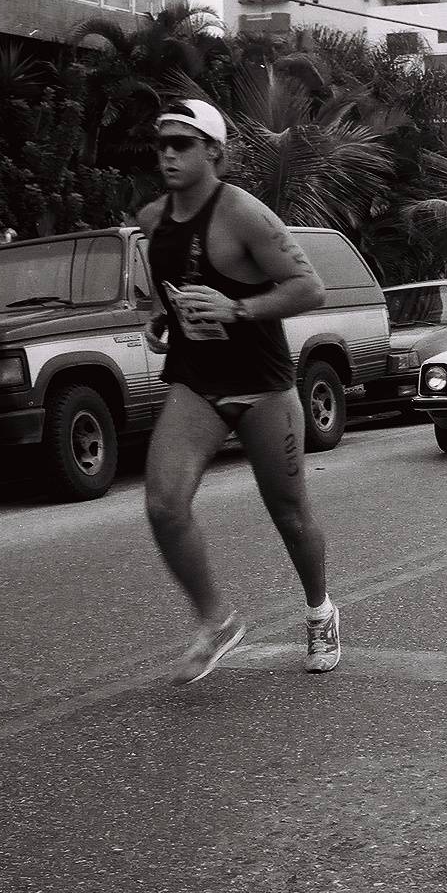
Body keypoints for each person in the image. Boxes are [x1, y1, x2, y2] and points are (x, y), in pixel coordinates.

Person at [138, 98, 338, 684]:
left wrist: (238, 308)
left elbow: (310, 288)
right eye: (162, 145)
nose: (169, 155)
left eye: (183, 144)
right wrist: (160, 318)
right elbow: (168, 289)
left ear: (214, 152)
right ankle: (216, 619)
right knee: (162, 503)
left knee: (290, 513)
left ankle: (320, 609)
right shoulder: (153, 220)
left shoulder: (244, 214)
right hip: (197, 382)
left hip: (262, 387)